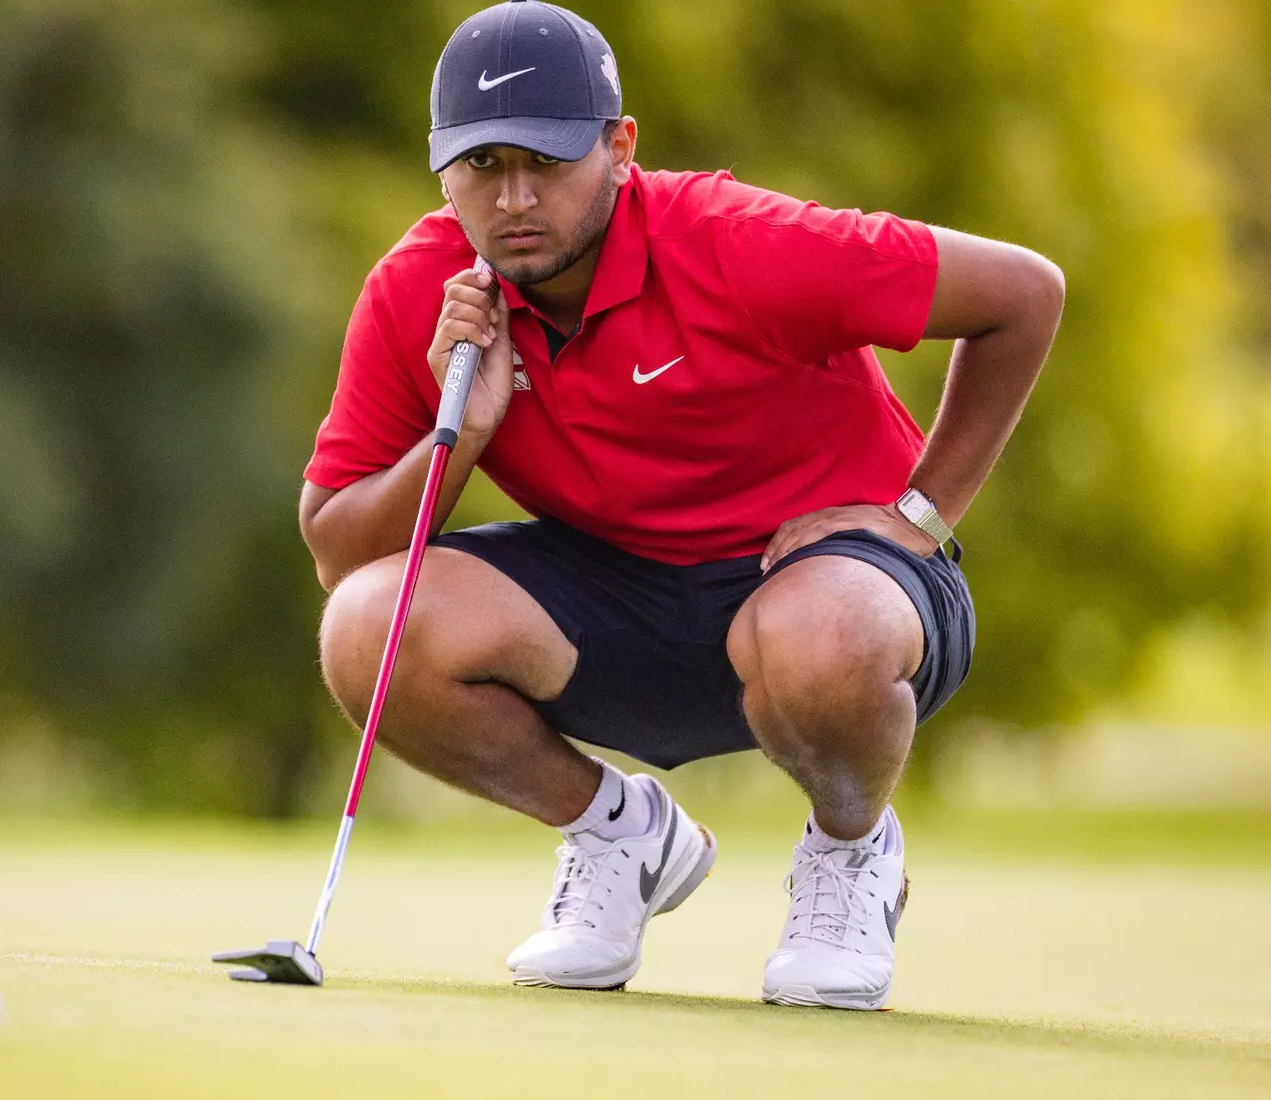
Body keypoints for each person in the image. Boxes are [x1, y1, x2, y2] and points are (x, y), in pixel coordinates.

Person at [299, 0, 1064, 1010]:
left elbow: (1024, 293)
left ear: (619, 149)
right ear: (443, 169)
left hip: (843, 596)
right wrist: (465, 433)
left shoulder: (739, 240)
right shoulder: (420, 291)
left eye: (547, 160)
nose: (515, 196)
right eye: (483, 164)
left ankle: (850, 853)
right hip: (621, 601)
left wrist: (919, 514)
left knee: (822, 632)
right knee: (366, 625)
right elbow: (340, 550)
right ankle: (621, 836)